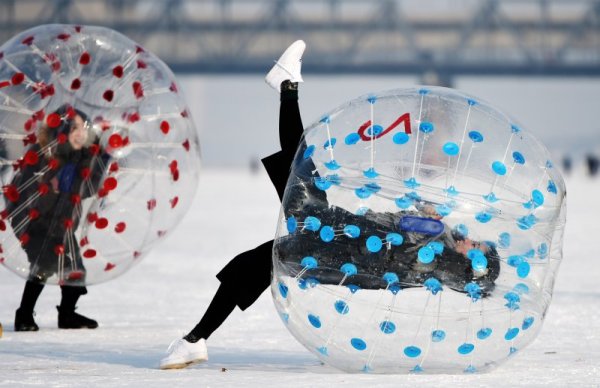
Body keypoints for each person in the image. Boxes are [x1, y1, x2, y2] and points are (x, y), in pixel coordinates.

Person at [159, 41, 499, 370]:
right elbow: (396, 244)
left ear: (473, 263)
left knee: (297, 170)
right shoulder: (437, 270)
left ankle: (287, 85)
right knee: (288, 189)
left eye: (476, 248)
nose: (472, 241)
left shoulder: (436, 247)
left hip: (329, 239)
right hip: (334, 251)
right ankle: (194, 340)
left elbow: (401, 232)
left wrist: (425, 217)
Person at [6, 105, 107, 331]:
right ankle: (23, 315)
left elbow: (88, 188)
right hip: (35, 223)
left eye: (84, 128)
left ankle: (67, 315)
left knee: (75, 270)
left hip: (64, 225)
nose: (80, 133)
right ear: (60, 130)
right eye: (74, 128)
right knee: (43, 265)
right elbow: (22, 193)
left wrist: (103, 156)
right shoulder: (41, 154)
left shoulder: (83, 158)